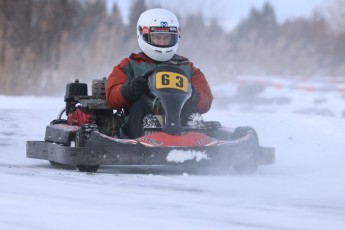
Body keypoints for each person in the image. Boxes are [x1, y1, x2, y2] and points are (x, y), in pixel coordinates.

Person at [106, 8, 213, 138]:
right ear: (144, 35)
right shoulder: (130, 65)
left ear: (175, 37)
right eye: (157, 37)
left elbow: (206, 100)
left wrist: (193, 94)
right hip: (140, 124)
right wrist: (130, 89)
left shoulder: (186, 66)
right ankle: (151, 136)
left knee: (189, 110)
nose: (162, 42)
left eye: (167, 38)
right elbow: (111, 96)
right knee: (140, 106)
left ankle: (195, 142)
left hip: (180, 120)